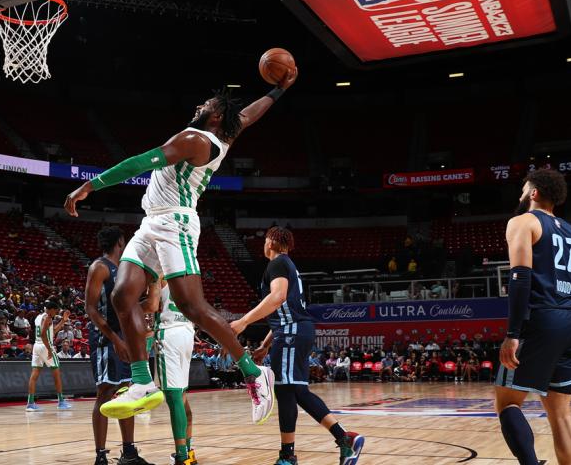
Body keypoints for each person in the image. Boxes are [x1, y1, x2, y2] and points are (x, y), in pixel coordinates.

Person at [65, 70, 298, 424]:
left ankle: (252, 371)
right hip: (151, 221)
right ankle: (143, 381)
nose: (198, 106)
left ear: (216, 116)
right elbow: (249, 115)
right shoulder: (224, 137)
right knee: (122, 295)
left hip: (176, 223)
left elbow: (141, 162)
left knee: (193, 306)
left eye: (206, 104)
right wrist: (279, 90)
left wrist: (90, 185)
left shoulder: (194, 138)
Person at [230, 226, 364, 465]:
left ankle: (290, 455)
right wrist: (265, 346)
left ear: (270, 242)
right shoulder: (285, 265)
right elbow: (284, 310)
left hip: (292, 332)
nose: (263, 244)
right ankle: (343, 439)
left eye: (265, 240)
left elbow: (278, 298)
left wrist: (243, 321)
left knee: (287, 391)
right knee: (295, 391)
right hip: (292, 331)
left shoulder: (278, 263)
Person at [495, 169, 571, 465]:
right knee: (561, 414)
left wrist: (513, 333)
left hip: (541, 318)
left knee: (506, 403)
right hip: (570, 319)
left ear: (534, 193)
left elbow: (520, 278)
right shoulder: (570, 231)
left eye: (523, 188)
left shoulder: (523, 221)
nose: (520, 193)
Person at [84, 226, 154, 465]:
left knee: (128, 394)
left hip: (126, 339)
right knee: (105, 392)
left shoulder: (125, 270)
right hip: (106, 340)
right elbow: (90, 308)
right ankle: (101, 456)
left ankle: (129, 452)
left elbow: (131, 306)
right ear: (120, 243)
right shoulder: (99, 267)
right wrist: (115, 339)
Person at [144, 278, 198, 465]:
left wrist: (133, 306)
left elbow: (151, 305)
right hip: (187, 332)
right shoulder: (188, 274)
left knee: (174, 397)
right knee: (182, 396)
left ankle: (182, 456)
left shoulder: (158, 273)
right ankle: (188, 451)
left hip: (169, 333)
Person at [26, 299, 72, 411]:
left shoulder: (38, 317)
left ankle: (30, 403)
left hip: (36, 347)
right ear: (51, 310)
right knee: (56, 374)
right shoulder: (48, 318)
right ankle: (61, 401)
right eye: (55, 311)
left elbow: (52, 332)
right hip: (45, 346)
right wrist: (49, 350)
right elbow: (43, 334)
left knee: (34, 375)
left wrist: (63, 321)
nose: (55, 313)